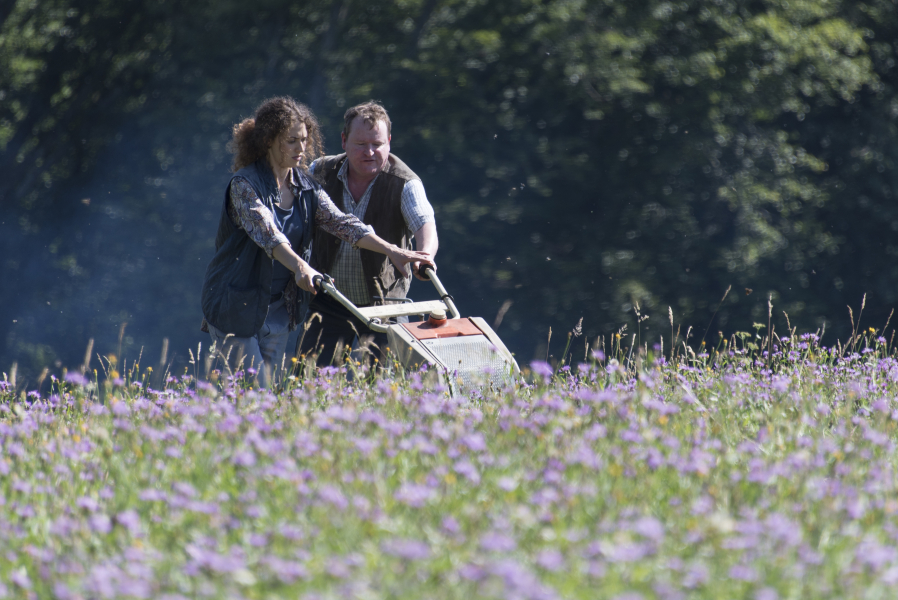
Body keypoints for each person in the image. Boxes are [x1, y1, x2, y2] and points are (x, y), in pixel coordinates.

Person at [200, 97, 431, 386]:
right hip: (236, 305)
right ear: (269, 141)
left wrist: (392, 250)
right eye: (291, 141)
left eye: (304, 139)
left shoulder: (305, 184)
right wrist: (302, 267)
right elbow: (269, 235)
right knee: (255, 392)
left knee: (265, 396)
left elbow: (342, 223)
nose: (301, 148)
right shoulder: (244, 185)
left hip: (278, 309)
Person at [299, 101, 439, 364]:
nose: (370, 152)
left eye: (377, 144)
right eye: (361, 144)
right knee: (310, 379)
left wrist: (424, 256)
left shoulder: (405, 182)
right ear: (344, 141)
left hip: (385, 306)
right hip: (328, 301)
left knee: (384, 383)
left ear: (389, 142)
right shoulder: (319, 170)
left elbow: (425, 223)